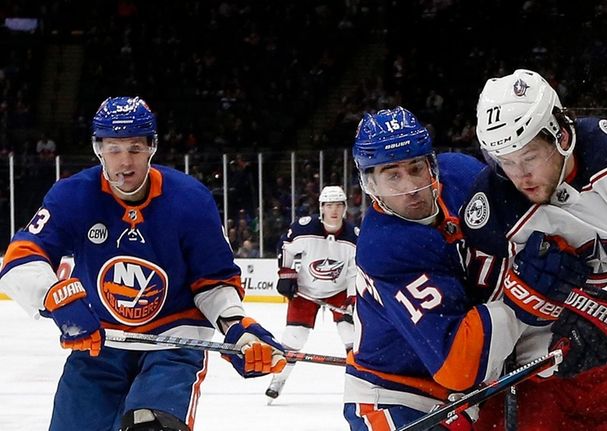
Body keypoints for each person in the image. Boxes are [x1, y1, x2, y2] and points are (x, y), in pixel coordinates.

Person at [0, 97, 286, 431]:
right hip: (101, 343)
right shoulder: (73, 195)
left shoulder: (190, 200)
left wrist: (237, 328)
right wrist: (53, 296)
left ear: (152, 147)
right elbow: (20, 258)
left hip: (174, 344)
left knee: (151, 426)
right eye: (114, 148)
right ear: (98, 149)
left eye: (135, 148)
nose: (124, 161)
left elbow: (213, 281)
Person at [464, 69, 607, 430]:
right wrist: (517, 299)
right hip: (534, 382)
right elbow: (479, 317)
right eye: (505, 162)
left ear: (560, 135)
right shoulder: (493, 206)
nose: (519, 176)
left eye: (529, 157)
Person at [343, 107, 526, 430]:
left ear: (433, 165)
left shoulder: (463, 178)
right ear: (370, 183)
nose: (410, 186)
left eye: (416, 168)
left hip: (470, 392)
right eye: (392, 175)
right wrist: (528, 297)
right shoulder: (384, 246)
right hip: (395, 394)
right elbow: (459, 367)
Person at [266, 185, 358, 403]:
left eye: (338, 205)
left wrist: (352, 300)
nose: (333, 210)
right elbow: (286, 247)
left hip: (339, 291)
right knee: (294, 337)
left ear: (345, 208)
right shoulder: (304, 229)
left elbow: (355, 271)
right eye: (329, 205)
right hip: (307, 290)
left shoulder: (354, 237)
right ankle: (277, 380)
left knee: (352, 337)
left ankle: (357, 384)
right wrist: (286, 275)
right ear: (321, 208)